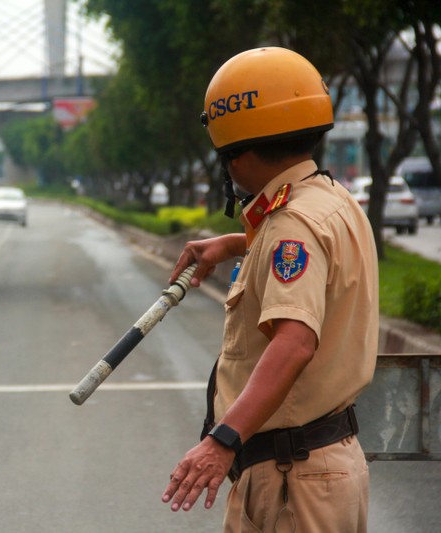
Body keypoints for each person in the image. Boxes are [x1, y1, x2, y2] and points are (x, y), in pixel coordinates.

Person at [161, 47, 378, 532]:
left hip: (293, 480)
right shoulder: (328, 197)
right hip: (310, 470)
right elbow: (312, 260)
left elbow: (295, 341)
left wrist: (221, 441)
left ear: (238, 152)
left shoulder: (290, 225)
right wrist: (238, 242)